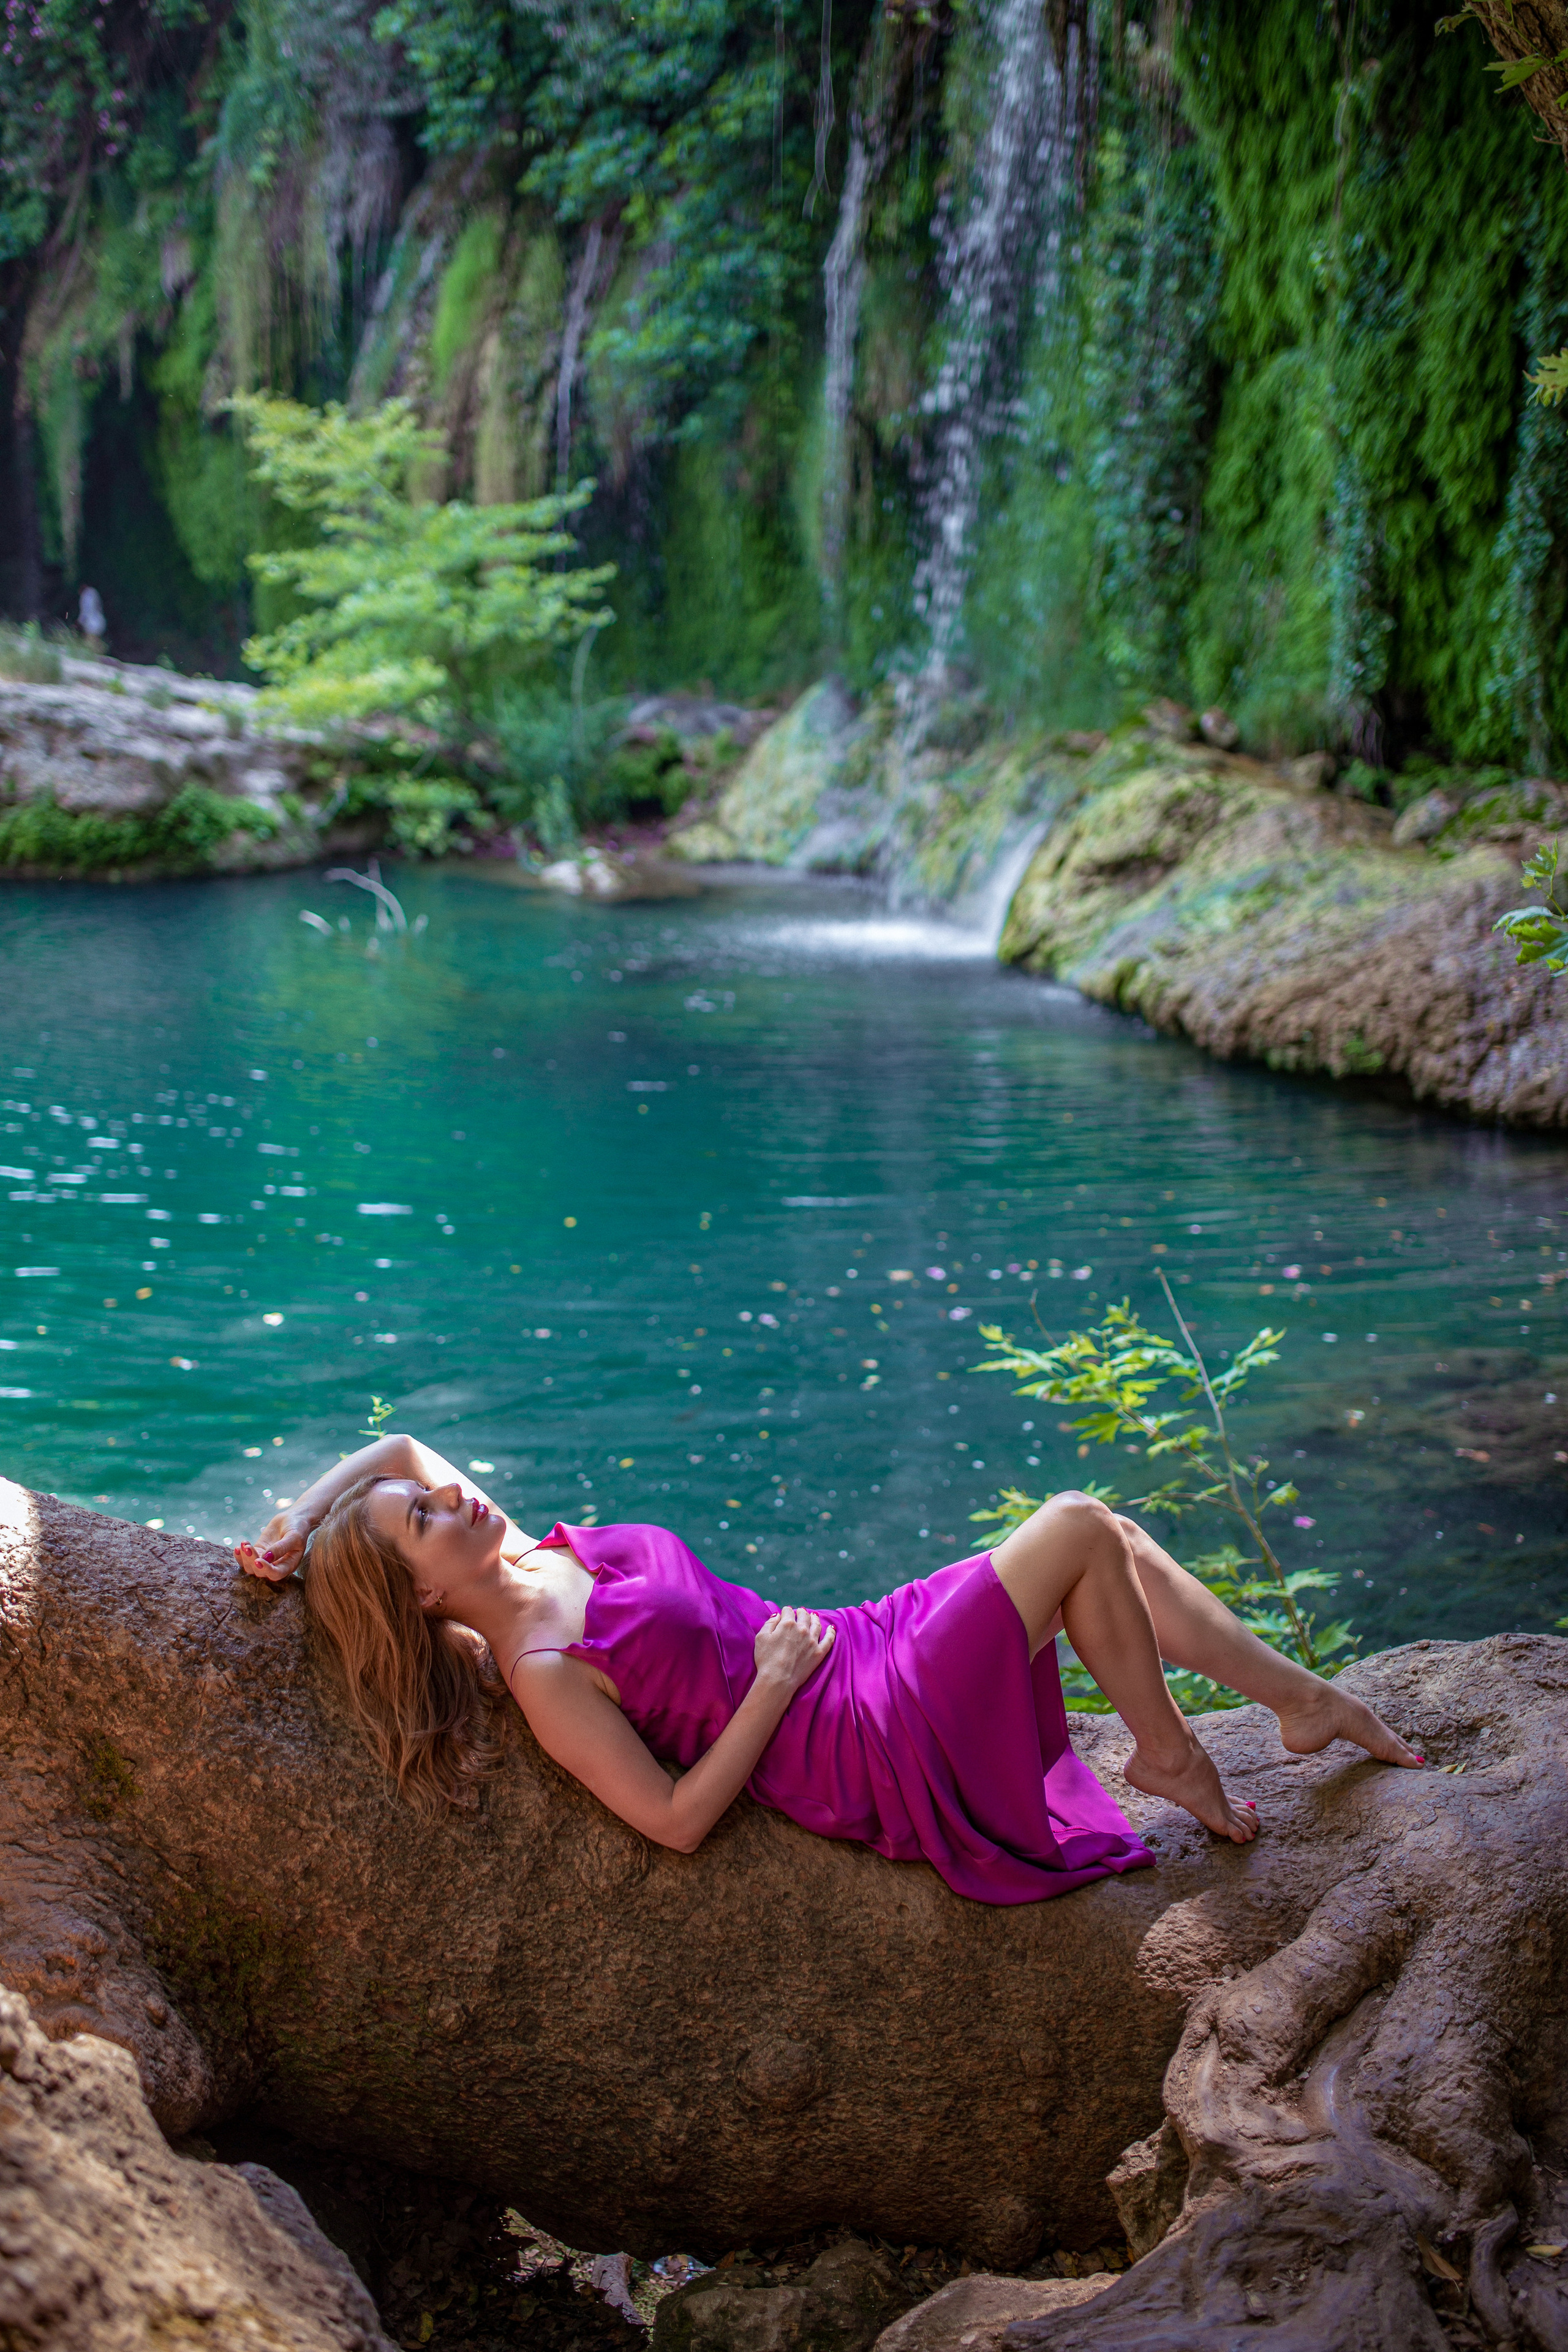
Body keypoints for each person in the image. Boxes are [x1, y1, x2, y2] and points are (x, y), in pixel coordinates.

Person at [235, 1432, 1422, 1905]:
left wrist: (298, 1528)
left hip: (853, 1639)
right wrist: (768, 1686)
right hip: (852, 1727)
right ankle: (1172, 1751)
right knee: (1067, 1524)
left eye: (435, 1492)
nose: (447, 1489)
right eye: (426, 1519)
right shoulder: (544, 1669)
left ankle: (1299, 1702)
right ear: (427, 1594)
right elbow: (674, 1821)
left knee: (1099, 1534)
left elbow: (389, 1445)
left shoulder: (534, 1550)